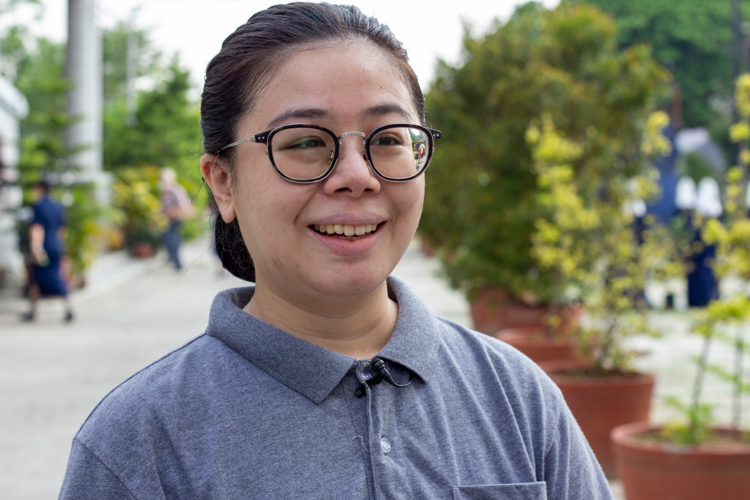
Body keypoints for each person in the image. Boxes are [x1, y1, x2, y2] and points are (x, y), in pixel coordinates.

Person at [59, 3, 613, 498]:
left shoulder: (515, 396)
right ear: (223, 181)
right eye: (304, 142)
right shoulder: (140, 444)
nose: (357, 176)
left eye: (390, 139)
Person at [21, 180, 73, 322]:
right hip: (56, 246)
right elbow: (61, 231)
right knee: (57, 275)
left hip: (44, 248)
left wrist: (36, 248)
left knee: (36, 279)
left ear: (40, 189)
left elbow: (37, 228)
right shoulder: (58, 207)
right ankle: (67, 308)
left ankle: (32, 312)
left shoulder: (38, 206)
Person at [159, 167, 193, 270]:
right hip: (169, 218)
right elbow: (163, 206)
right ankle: (172, 260)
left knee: (172, 239)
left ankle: (177, 263)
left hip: (176, 218)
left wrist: (172, 211)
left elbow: (183, 205)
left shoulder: (176, 190)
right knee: (168, 238)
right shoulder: (167, 191)